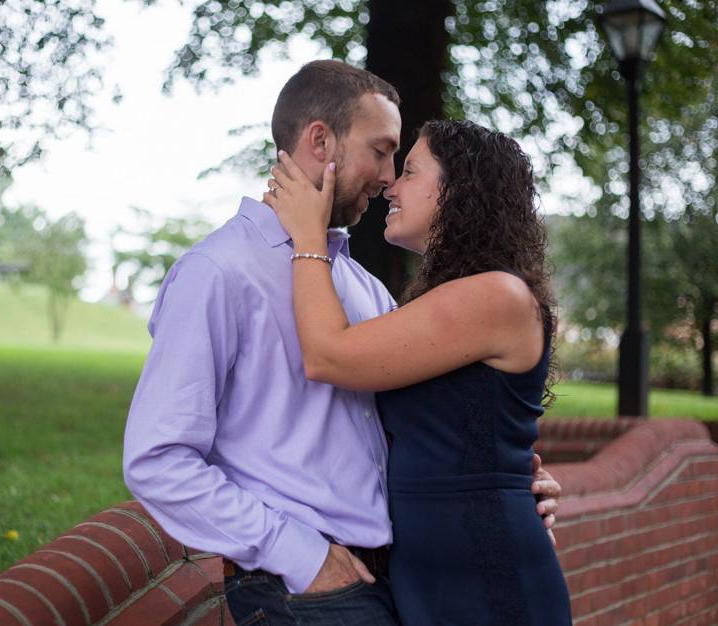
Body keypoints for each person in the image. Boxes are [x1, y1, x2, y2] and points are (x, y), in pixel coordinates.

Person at [123, 60, 562, 626]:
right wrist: (300, 557)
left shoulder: (363, 288)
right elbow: (157, 459)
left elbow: (418, 421)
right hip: (307, 587)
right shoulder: (218, 272)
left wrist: (512, 475)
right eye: (381, 152)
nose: (387, 178)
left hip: (392, 576)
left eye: (402, 163)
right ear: (320, 140)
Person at [262, 119, 573, 624]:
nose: (391, 184)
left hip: (485, 578)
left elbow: (328, 356)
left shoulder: (497, 293)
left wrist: (308, 235)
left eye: (409, 170)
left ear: (458, 192)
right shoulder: (452, 297)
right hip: (433, 576)